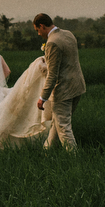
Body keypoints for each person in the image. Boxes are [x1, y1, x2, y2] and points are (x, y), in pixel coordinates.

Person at [34, 13, 86, 150]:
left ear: (42, 26)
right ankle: (47, 151)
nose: (38, 34)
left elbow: (52, 75)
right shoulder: (68, 34)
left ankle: (74, 160)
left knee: (63, 127)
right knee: (57, 123)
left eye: (37, 30)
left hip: (64, 90)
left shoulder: (52, 43)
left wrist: (42, 97)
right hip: (77, 86)